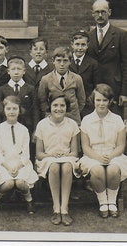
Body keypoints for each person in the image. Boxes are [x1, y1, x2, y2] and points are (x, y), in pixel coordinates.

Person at [79, 84, 127, 218]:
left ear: (110, 101)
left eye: (105, 100)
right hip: (92, 155)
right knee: (98, 170)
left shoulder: (117, 120)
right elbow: (85, 147)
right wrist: (98, 158)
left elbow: (120, 145)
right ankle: (103, 202)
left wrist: (110, 156)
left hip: (113, 153)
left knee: (113, 169)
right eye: (98, 100)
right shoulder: (87, 120)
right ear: (93, 101)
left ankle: (112, 202)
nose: (101, 103)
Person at [35, 93, 80, 226]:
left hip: (68, 158)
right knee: (54, 166)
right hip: (48, 159)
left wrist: (64, 155)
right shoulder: (42, 124)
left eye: (62, 105)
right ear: (50, 106)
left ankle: (64, 209)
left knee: (66, 166)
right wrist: (52, 155)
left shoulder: (72, 124)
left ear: (66, 107)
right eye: (55, 105)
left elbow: (74, 152)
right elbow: (39, 154)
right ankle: (56, 208)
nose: (58, 109)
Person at [0, 96, 38, 214]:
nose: (11, 111)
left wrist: (18, 165)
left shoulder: (23, 130)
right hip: (4, 163)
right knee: (8, 184)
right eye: (8, 109)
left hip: (20, 163)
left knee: (20, 183)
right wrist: (7, 166)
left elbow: (26, 153)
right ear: (4, 110)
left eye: (14, 108)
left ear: (19, 110)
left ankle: (29, 199)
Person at [87, 0, 127, 116]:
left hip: (114, 89)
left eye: (103, 12)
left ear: (109, 12)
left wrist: (124, 92)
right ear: (92, 13)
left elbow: (126, 65)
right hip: (94, 90)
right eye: (97, 12)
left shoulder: (121, 35)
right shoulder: (89, 36)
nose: (100, 15)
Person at [38, 46, 86, 125]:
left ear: (70, 61)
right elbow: (42, 101)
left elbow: (81, 101)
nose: (62, 64)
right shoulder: (46, 79)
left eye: (65, 61)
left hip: (73, 119)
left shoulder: (77, 79)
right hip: (53, 119)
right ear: (53, 61)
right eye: (59, 61)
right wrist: (51, 113)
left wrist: (72, 112)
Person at [0, 56, 39, 135]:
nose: (16, 72)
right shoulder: (2, 89)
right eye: (13, 69)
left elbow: (35, 110)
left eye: (19, 69)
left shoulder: (30, 88)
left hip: (26, 126)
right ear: (8, 71)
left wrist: (36, 129)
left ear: (24, 71)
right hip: (7, 125)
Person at [70, 30, 100, 118]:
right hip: (70, 104)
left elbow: (96, 85)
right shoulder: (66, 61)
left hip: (87, 105)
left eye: (83, 45)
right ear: (72, 45)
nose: (80, 48)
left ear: (87, 46)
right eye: (77, 44)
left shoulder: (93, 63)